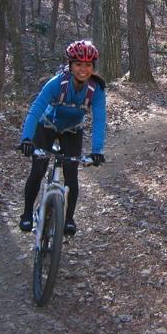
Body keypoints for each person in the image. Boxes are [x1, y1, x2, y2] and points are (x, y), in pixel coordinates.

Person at [18, 40, 107, 235]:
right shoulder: (57, 83)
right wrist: (26, 139)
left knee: (71, 174)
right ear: (70, 65)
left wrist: (97, 151)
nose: (83, 69)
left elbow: (100, 120)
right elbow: (36, 109)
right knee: (38, 168)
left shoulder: (96, 90)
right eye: (78, 64)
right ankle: (26, 214)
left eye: (88, 65)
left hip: (72, 131)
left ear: (93, 67)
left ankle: (68, 219)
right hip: (46, 126)